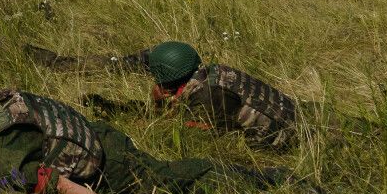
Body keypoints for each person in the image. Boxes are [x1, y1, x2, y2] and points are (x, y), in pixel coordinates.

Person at [0, 80, 283, 194]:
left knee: (177, 180)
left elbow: (53, 185)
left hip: (109, 166)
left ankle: (272, 182)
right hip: (95, 135)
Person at [91, 40, 300, 148]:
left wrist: (158, 108)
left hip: (281, 136)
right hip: (289, 113)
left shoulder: (207, 95)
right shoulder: (211, 73)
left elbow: (197, 134)